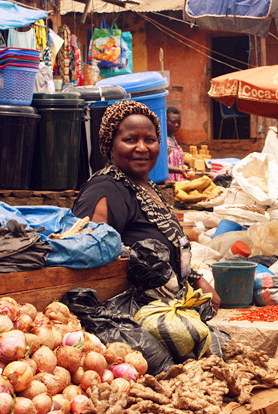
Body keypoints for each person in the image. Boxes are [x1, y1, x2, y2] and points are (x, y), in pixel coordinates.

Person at [72, 100, 220, 310]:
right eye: (130, 140)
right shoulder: (105, 189)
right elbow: (89, 261)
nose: (142, 148)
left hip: (169, 306)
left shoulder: (147, 186)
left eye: (149, 140)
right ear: (110, 145)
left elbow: (172, 247)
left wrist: (195, 279)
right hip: (131, 316)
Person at [165, 107, 192, 181]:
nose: (177, 125)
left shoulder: (173, 138)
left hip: (177, 179)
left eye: (179, 122)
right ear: (165, 121)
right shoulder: (162, 141)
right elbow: (162, 164)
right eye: (173, 122)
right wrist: (179, 170)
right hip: (168, 181)